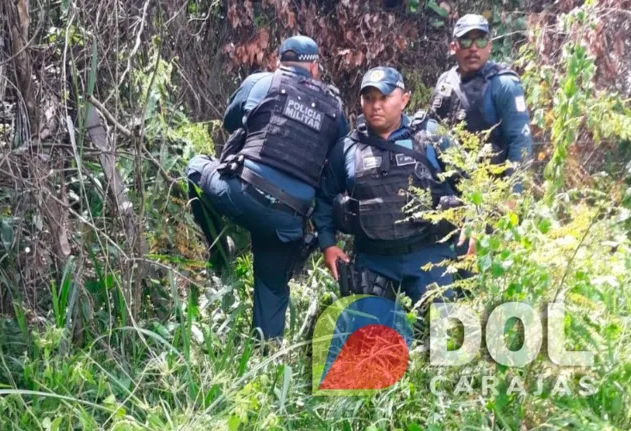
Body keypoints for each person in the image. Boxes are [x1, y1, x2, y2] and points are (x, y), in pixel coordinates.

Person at [186, 35, 348, 341]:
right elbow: (338, 162)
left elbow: (230, 122)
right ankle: (265, 358)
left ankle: (220, 254)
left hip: (241, 195)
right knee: (272, 287)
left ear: (279, 61)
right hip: (288, 220)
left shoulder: (262, 82)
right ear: (314, 67)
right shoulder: (335, 109)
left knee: (196, 167)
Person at [314, 66, 459, 307]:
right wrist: (328, 244)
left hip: (429, 254)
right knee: (371, 338)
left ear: (404, 100)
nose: (376, 105)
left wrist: (473, 231)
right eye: (369, 98)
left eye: (384, 97)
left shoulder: (432, 136)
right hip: (373, 260)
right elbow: (325, 199)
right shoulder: (347, 148)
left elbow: (468, 182)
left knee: (446, 336)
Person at [430, 13, 533, 256]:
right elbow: (433, 134)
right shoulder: (446, 82)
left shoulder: (504, 85)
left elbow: (521, 143)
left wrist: (511, 199)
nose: (473, 48)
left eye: (480, 40)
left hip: (492, 194)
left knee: (485, 268)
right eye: (466, 41)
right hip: (451, 194)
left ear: (490, 45)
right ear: (454, 46)